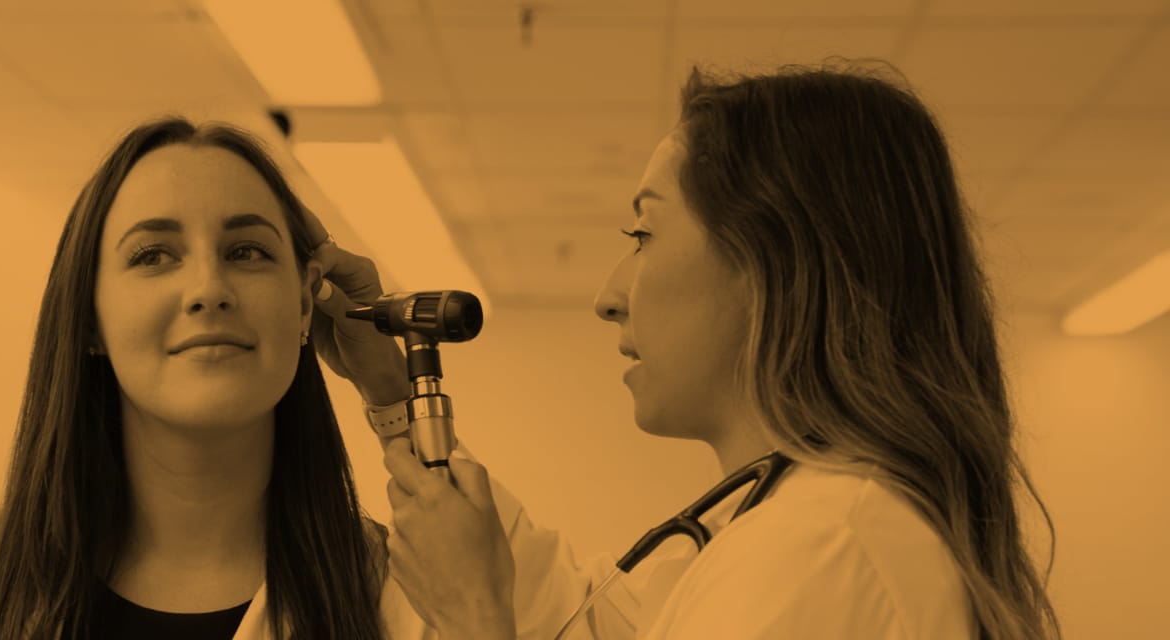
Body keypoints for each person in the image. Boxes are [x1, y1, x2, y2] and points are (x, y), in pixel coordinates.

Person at [307, 62, 1063, 639]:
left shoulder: (819, 549)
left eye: (642, 237)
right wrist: (394, 401)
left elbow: (509, 609)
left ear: (774, 265)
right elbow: (576, 618)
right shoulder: (776, 526)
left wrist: (472, 617)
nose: (609, 294)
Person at [0, 118, 427, 639]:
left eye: (247, 251)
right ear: (89, 319)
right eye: (153, 255)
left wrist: (390, 388)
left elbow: (497, 582)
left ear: (306, 303)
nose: (209, 288)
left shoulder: (407, 598)